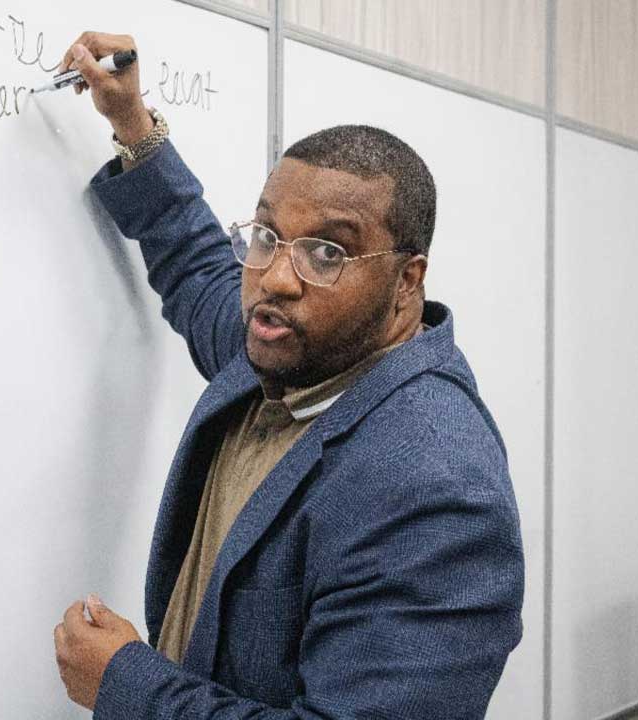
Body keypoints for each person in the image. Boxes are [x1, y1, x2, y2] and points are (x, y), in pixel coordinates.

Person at [50, 32, 525, 720]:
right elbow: (198, 264)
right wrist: (134, 126)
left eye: (327, 252)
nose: (275, 277)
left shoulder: (436, 486)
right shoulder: (285, 351)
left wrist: (126, 686)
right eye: (269, 236)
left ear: (406, 281)